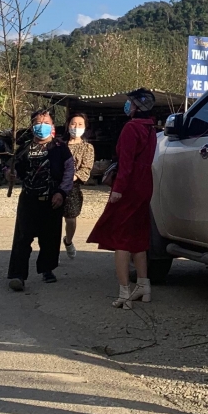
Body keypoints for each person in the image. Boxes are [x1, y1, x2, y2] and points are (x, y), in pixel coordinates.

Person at [88, 88, 158, 309]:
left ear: (136, 107)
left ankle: (124, 292)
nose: (127, 105)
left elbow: (126, 163)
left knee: (121, 239)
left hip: (128, 186)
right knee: (138, 235)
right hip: (145, 184)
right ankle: (144, 285)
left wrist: (118, 189)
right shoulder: (151, 129)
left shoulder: (131, 128)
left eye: (130, 102)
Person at [6, 109, 74, 291]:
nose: (42, 126)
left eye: (46, 122)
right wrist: (10, 174)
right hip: (29, 199)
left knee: (50, 237)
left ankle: (47, 269)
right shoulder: (25, 148)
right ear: (32, 126)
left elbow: (69, 172)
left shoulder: (60, 148)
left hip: (52, 199)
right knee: (23, 238)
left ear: (52, 126)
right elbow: (15, 170)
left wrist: (62, 192)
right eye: (38, 122)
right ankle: (18, 275)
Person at [62, 112, 94, 259]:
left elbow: (86, 169)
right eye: (73, 124)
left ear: (85, 127)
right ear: (68, 125)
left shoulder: (87, 148)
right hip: (54, 185)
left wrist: (71, 178)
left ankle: (68, 241)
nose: (76, 127)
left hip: (72, 187)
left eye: (80, 124)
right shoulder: (58, 145)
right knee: (52, 221)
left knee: (70, 219)